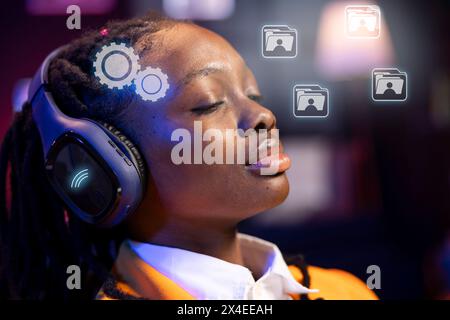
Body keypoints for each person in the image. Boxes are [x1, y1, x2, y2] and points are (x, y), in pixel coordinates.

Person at [0, 12, 377, 300]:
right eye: (209, 103)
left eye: (253, 95)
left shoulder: (348, 291)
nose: (264, 117)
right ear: (107, 164)